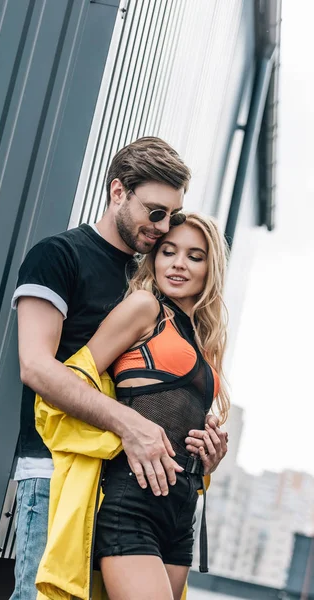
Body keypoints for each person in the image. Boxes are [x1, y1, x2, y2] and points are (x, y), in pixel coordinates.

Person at [10, 137, 228, 599]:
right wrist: (132, 425)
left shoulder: (148, 281)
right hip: (58, 473)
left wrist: (197, 443)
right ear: (117, 193)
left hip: (123, 482)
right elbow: (37, 367)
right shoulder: (59, 256)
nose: (164, 226)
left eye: (171, 214)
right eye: (155, 212)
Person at [84, 211, 230, 600]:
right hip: (135, 497)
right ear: (154, 257)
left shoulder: (204, 338)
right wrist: (128, 424)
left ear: (210, 268)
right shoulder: (145, 308)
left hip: (182, 514)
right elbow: (77, 379)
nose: (179, 264)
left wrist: (209, 456)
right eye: (168, 251)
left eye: (195, 256)